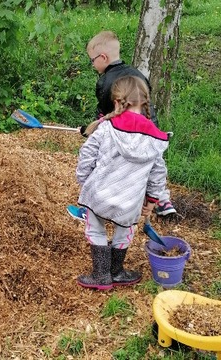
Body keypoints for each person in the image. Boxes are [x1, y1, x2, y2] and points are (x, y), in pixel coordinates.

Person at [75, 75, 170, 290]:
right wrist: (152, 199)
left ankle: (101, 275)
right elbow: (158, 172)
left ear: (117, 102)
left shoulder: (106, 128)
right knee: (124, 230)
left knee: (96, 229)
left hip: (98, 195)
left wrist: (84, 179)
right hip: (130, 201)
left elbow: (87, 153)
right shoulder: (154, 138)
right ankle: (117, 271)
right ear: (145, 103)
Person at [70, 30, 175, 218]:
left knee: (113, 162)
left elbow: (105, 114)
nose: (92, 65)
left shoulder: (105, 81)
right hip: (149, 127)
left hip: (125, 128)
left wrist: (91, 130)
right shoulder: (136, 74)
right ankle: (161, 199)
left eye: (92, 60)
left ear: (103, 57)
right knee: (150, 162)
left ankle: (95, 206)